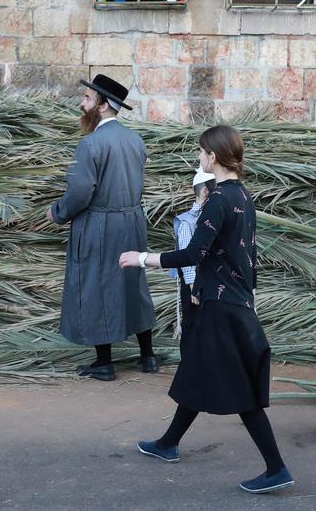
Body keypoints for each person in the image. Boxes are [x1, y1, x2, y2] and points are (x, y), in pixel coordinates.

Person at [120, 125, 293, 494]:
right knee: (195, 374)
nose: (199, 157)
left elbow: (192, 254)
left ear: (212, 157)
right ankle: (168, 444)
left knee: (241, 394)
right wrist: (205, 289)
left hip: (222, 309)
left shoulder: (217, 199)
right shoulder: (243, 196)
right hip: (231, 301)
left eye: (201, 152)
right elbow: (244, 256)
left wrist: (141, 258)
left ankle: (276, 467)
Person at [46, 74, 157, 381]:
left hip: (99, 226)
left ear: (104, 106)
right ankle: (147, 357)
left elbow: (80, 192)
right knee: (133, 285)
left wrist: (57, 212)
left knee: (95, 286)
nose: (81, 104)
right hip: (132, 223)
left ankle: (104, 364)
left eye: (87, 99)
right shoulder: (135, 140)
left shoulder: (91, 144)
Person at [170, 167, 215, 341]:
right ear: (205, 191)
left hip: (208, 281)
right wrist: (192, 287)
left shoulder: (212, 217)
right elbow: (187, 257)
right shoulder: (187, 222)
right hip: (195, 286)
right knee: (194, 326)